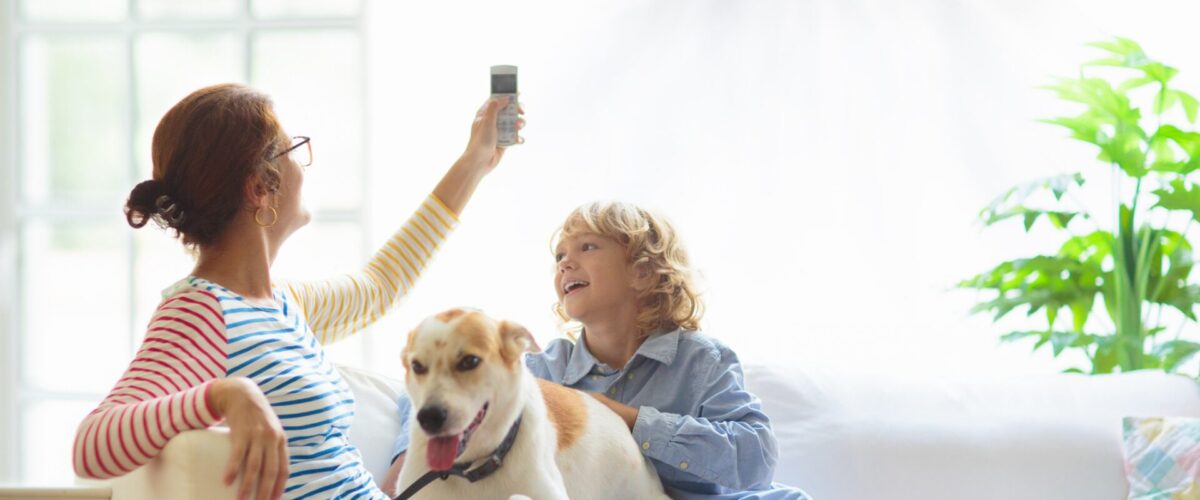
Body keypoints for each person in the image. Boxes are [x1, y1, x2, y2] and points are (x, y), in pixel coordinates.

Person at [71, 82, 523, 500]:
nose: (305, 167)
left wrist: (474, 162)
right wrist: (226, 394)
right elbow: (93, 445)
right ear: (259, 188)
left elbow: (379, 287)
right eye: (295, 151)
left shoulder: (280, 303)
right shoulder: (201, 313)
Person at [386, 201, 809, 499]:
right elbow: (434, 388)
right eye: (559, 256)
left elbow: (756, 457)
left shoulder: (700, 361)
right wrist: (412, 453)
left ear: (644, 272)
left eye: (587, 247)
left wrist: (631, 421)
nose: (565, 263)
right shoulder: (543, 367)